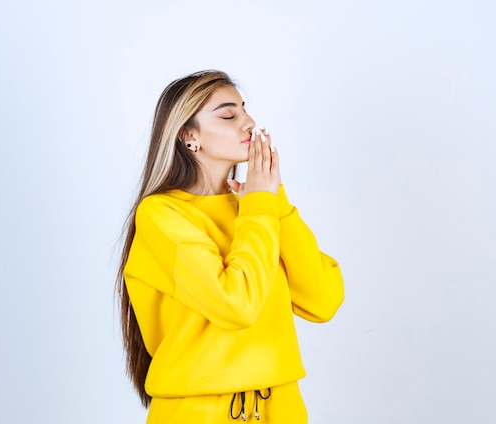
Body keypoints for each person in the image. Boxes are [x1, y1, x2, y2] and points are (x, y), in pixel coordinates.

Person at [116, 70, 344, 423]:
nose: (249, 122)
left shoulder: (258, 209)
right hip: (199, 412)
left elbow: (323, 301)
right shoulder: (161, 215)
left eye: (244, 109)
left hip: (281, 406)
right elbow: (235, 306)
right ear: (189, 136)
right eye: (228, 114)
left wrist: (274, 204)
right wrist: (259, 208)